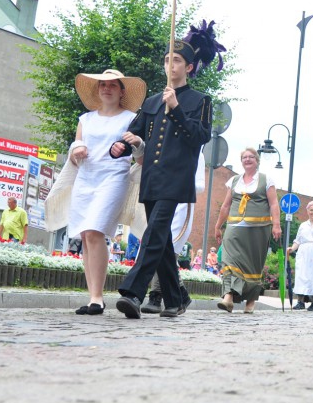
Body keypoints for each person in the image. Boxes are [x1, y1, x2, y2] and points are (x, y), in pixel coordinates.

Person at [111, 20, 222, 319]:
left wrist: (175, 110)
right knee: (160, 240)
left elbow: (200, 138)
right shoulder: (151, 101)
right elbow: (133, 133)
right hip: (151, 179)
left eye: (176, 61)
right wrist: (123, 145)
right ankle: (176, 298)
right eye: (167, 59)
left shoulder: (201, 101)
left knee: (154, 234)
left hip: (176, 180)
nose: (169, 65)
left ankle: (133, 292)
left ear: (189, 67)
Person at [44, 70, 147, 315]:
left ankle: (98, 297)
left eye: (113, 85)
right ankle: (93, 296)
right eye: (103, 85)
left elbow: (141, 157)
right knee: (86, 236)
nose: (107, 89)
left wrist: (137, 145)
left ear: (122, 91)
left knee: (95, 231)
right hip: (86, 177)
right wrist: (76, 150)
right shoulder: (86, 119)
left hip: (113, 176)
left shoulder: (131, 118)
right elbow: (77, 146)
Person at [213, 148, 281, 314]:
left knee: (253, 266)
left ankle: (250, 301)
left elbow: (273, 204)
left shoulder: (266, 180)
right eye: (244, 157)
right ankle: (228, 296)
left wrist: (276, 225)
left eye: (251, 157)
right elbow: (226, 205)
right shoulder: (234, 181)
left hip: (258, 229)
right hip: (234, 227)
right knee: (228, 261)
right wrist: (218, 226)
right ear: (241, 161)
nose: (248, 159)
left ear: (257, 161)